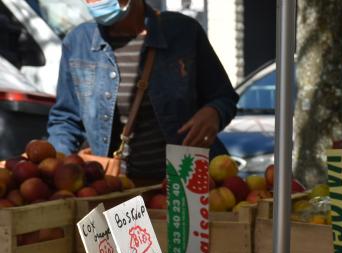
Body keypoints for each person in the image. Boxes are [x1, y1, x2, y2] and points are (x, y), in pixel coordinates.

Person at [47, 0, 238, 183]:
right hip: (117, 191)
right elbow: (66, 119)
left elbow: (224, 97)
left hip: (186, 186)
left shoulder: (184, 32)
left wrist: (214, 112)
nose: (96, 2)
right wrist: (52, 164)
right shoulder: (78, 43)